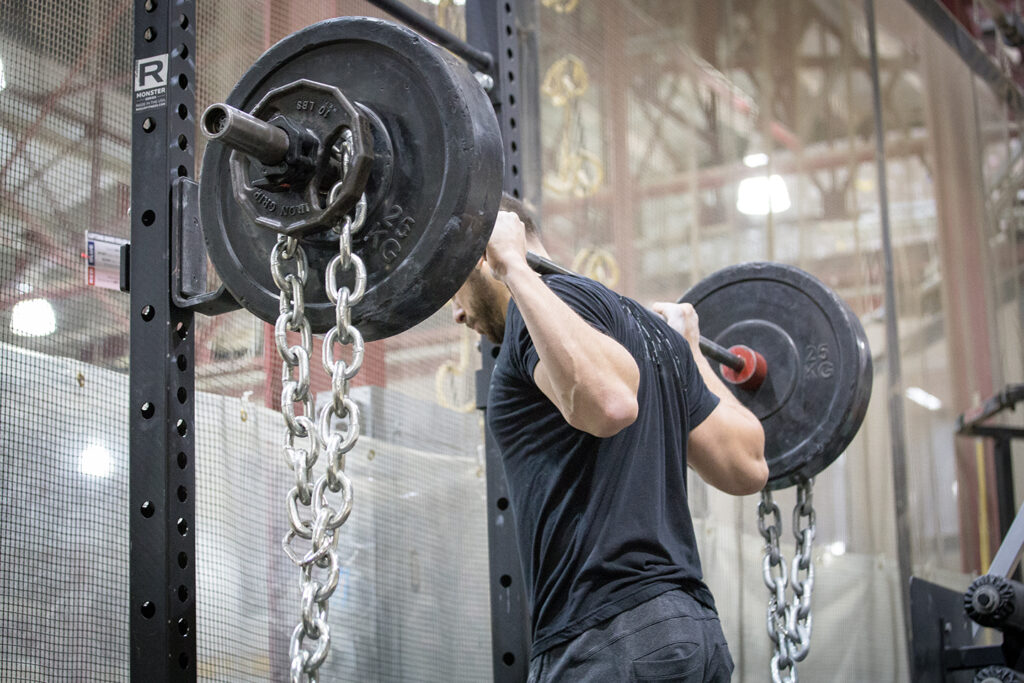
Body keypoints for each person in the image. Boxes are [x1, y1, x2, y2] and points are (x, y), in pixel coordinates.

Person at [452, 195, 767, 682]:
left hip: (607, 635)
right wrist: (691, 352)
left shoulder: (534, 316)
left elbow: (613, 404)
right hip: (691, 630)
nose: (456, 312)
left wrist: (513, 267)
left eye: (453, 287)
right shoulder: (649, 333)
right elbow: (747, 466)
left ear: (483, 249)